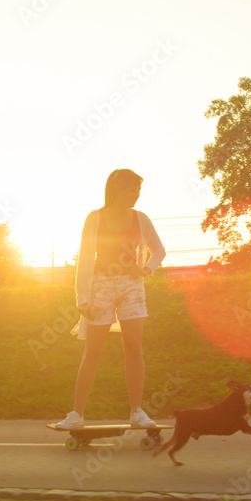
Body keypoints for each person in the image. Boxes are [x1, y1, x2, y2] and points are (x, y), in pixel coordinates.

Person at [55, 169, 166, 429]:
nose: (136, 196)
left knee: (133, 347)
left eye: (138, 191)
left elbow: (159, 250)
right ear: (116, 190)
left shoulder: (141, 219)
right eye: (131, 190)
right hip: (100, 286)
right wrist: (82, 298)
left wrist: (146, 269)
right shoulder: (95, 219)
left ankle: (137, 412)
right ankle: (77, 415)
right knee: (93, 351)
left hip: (131, 286)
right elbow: (84, 258)